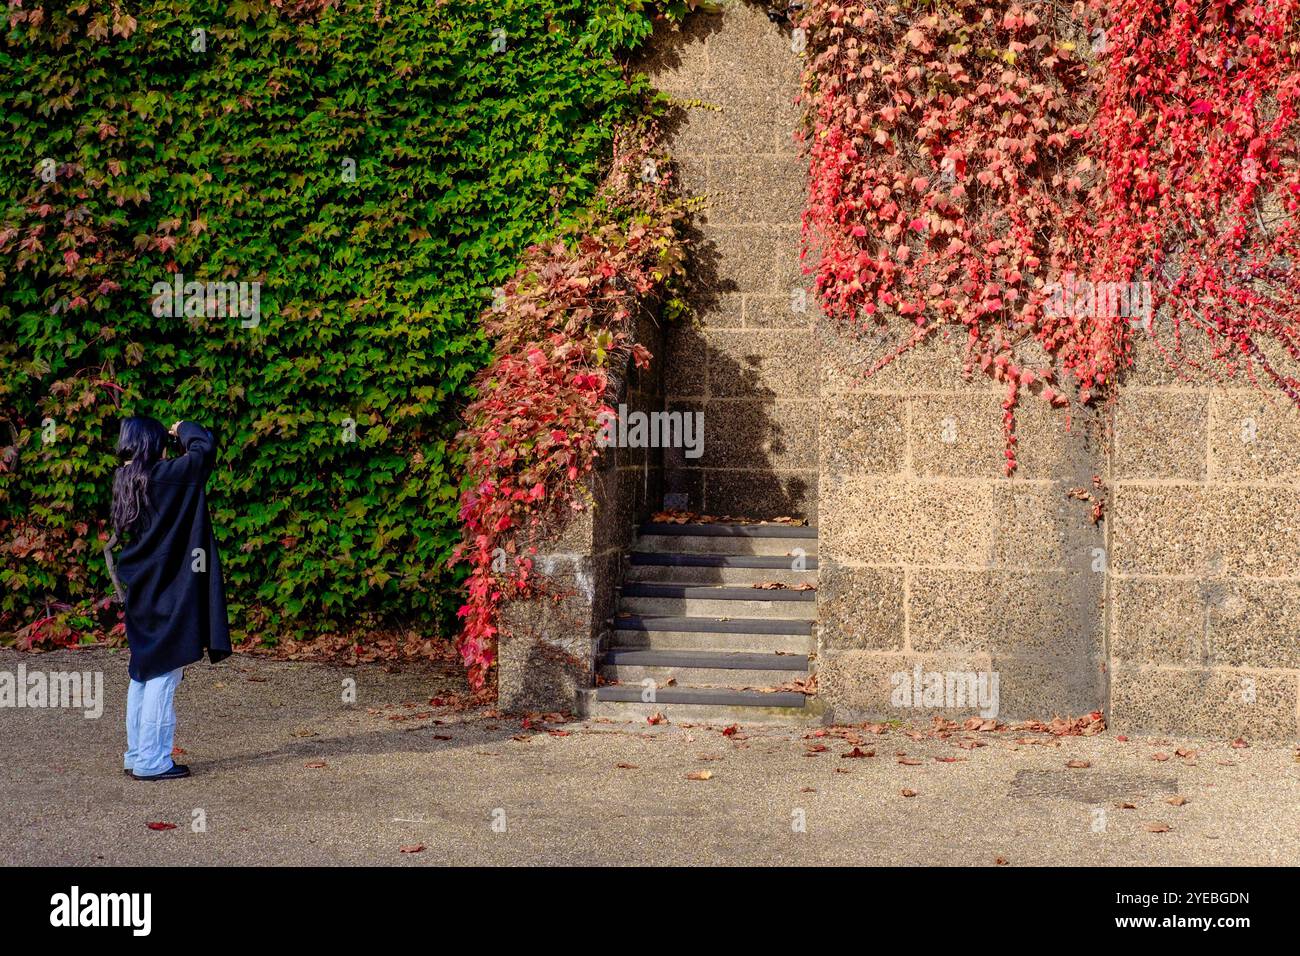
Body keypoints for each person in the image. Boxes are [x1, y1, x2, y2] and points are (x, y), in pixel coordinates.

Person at [111, 416, 231, 780]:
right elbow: (205, 451)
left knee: (143, 671)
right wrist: (185, 428)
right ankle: (152, 761)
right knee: (164, 674)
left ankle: (137, 754)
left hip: (142, 589)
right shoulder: (168, 476)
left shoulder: (126, 479)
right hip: (171, 592)